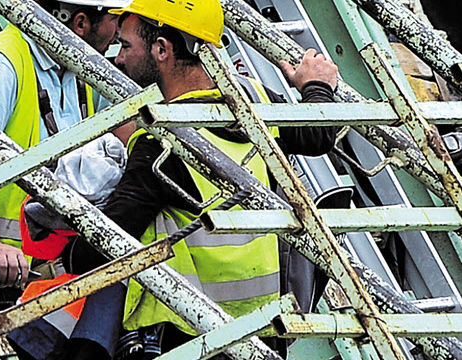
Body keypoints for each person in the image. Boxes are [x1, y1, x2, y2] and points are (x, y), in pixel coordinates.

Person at [86, 0, 345, 356]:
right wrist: (316, 86)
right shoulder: (253, 100)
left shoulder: (163, 142)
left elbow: (99, 249)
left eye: (126, 45)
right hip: (265, 328)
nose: (118, 59)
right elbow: (316, 136)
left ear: (162, 50)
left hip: (192, 336)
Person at [0, 1, 135, 358]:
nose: (118, 31)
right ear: (81, 23)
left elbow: (124, 126)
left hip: (47, 267)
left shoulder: (76, 66)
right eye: (115, 19)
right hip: (0, 267)